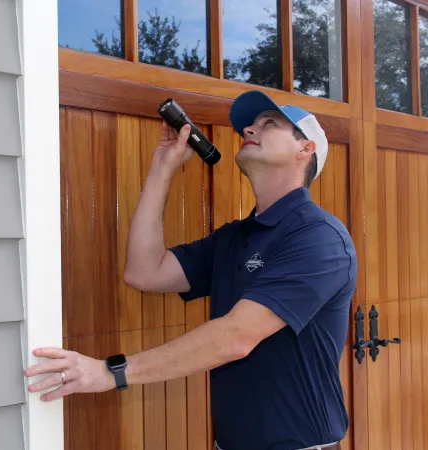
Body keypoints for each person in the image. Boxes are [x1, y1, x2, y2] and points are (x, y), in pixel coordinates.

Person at [24, 90, 358, 450]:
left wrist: (110, 373)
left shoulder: (319, 237)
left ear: (305, 149)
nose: (248, 128)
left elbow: (236, 337)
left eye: (269, 123)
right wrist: (163, 167)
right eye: (250, 123)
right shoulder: (234, 237)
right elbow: (144, 271)